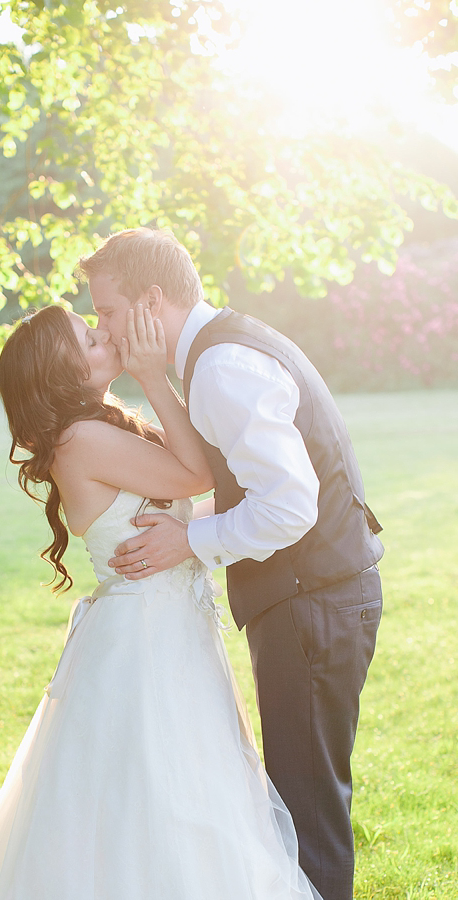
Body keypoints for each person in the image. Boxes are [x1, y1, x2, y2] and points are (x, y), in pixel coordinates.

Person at [0, 303, 320, 899]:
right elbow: (196, 475)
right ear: (62, 373)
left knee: (187, 786)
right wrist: (152, 375)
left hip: (168, 631)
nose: (104, 336)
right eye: (88, 340)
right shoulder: (82, 439)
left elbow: (180, 508)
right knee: (155, 792)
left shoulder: (97, 429)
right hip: (143, 643)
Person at [78, 227, 384, 900]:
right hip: (316, 598)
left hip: (314, 604)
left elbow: (289, 507)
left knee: (308, 817)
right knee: (304, 803)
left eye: (106, 312)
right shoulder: (223, 351)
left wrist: (192, 541)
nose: (102, 326)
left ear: (151, 302)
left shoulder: (222, 369)